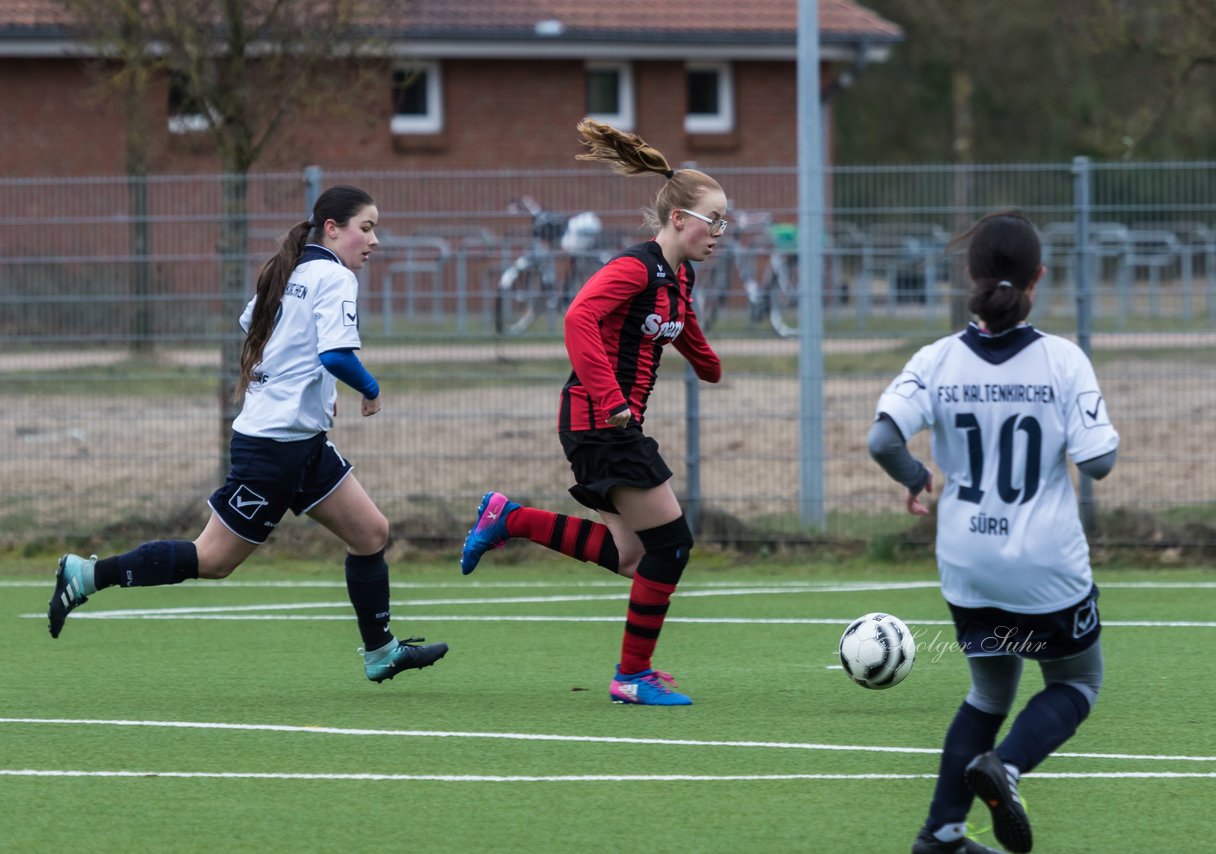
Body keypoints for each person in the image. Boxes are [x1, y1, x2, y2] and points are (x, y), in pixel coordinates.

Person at [47, 185, 448, 684]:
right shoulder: (332, 277)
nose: (374, 241)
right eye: (366, 228)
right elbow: (335, 354)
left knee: (370, 533)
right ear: (332, 228)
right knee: (213, 560)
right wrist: (369, 388)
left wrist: (311, 392)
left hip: (301, 443)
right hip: (274, 450)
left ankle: (381, 652)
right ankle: (86, 576)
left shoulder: (290, 271)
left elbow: (262, 335)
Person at [867, 211, 1119, 854]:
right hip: (1044, 566)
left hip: (967, 560)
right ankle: (1004, 768)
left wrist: (920, 476)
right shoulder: (1063, 361)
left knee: (988, 690)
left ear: (970, 277)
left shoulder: (937, 359)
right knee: (1075, 684)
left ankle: (941, 835)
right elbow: (1099, 464)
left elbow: (882, 439)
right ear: (1038, 277)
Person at [459, 117, 724, 706]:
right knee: (671, 546)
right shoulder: (636, 267)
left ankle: (510, 518)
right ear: (679, 219)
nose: (721, 231)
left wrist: (708, 363)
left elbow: (683, 334)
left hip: (606, 423)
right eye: (714, 220)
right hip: (601, 421)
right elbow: (578, 318)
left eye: (724, 222)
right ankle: (632, 675)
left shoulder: (678, 280)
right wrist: (612, 401)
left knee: (632, 556)